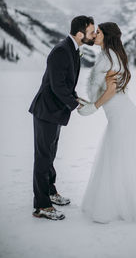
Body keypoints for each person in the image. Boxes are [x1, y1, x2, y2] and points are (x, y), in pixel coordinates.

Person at [78, 22, 136, 223]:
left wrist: (94, 106)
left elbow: (111, 90)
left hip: (122, 114)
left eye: (98, 32)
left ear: (106, 36)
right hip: (118, 114)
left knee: (117, 157)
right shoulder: (107, 55)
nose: (95, 34)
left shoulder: (110, 57)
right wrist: (89, 102)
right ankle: (118, 201)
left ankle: (117, 205)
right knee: (117, 156)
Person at [29, 15, 96, 220]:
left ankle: (50, 191)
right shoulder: (61, 51)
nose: (94, 35)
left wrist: (76, 98)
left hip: (55, 111)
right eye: (91, 32)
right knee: (43, 157)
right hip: (46, 111)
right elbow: (57, 86)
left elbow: (64, 85)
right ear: (79, 34)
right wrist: (75, 105)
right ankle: (41, 205)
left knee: (50, 154)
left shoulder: (72, 49)